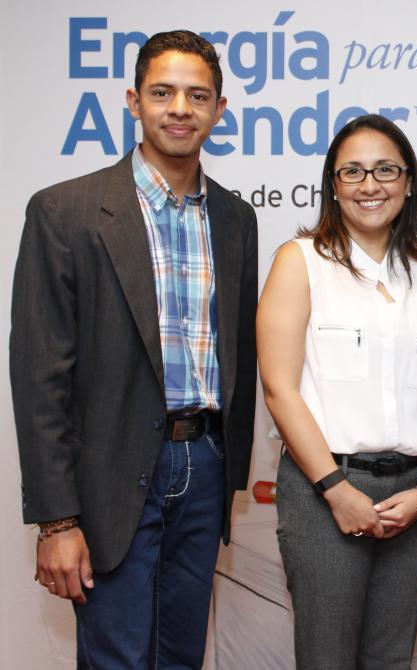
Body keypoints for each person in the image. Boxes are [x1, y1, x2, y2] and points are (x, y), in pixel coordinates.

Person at [10, 30, 258, 668]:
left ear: (219, 110)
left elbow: (240, 359)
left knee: (181, 657)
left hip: (203, 467)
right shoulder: (64, 212)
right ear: (133, 101)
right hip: (110, 476)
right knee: (117, 658)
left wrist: (227, 473)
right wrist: (59, 522)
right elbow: (40, 378)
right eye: (163, 92)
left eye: (197, 95)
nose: (180, 107)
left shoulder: (235, 219)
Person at [257, 114, 417, 670]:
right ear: (333, 185)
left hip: (412, 500)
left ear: (409, 181)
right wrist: (336, 489)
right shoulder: (299, 262)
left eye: (385, 170)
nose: (370, 185)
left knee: (390, 660)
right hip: (326, 492)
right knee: (327, 660)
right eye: (353, 172)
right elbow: (279, 390)